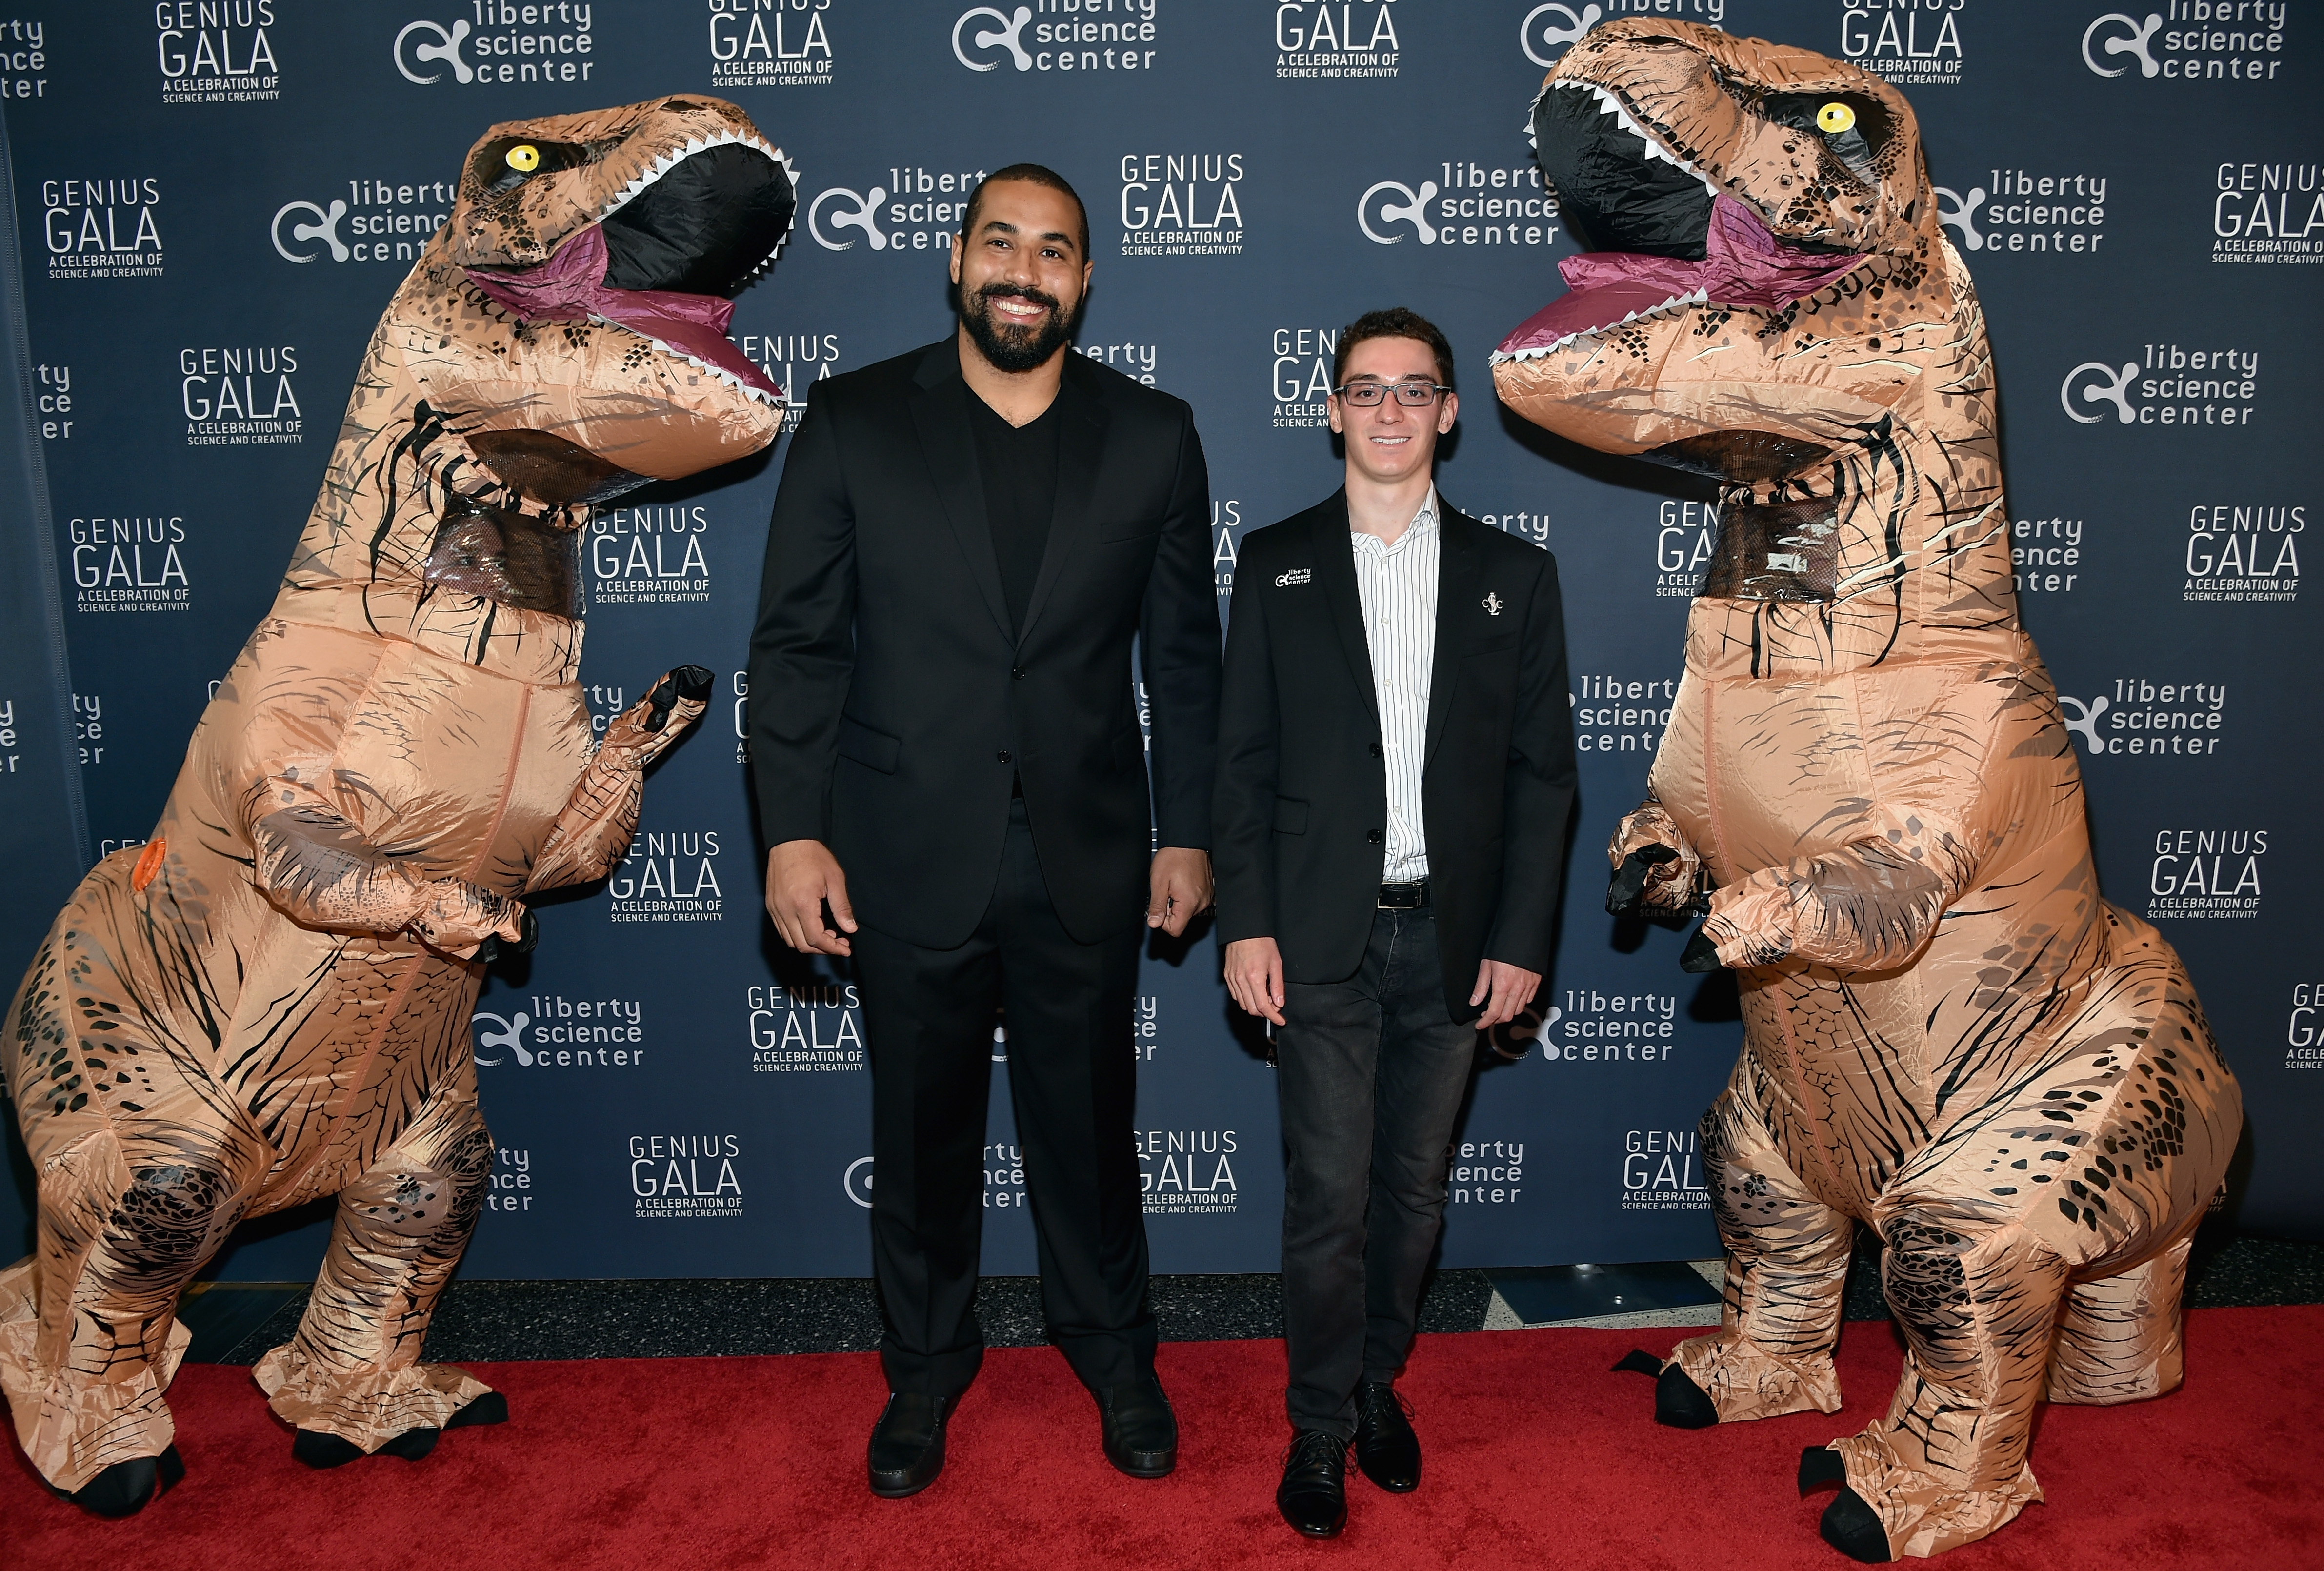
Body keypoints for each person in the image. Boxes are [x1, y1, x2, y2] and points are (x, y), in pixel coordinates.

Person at [748, 165, 1220, 1499]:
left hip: (1084, 848)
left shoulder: (1154, 432)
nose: (1025, 270)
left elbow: (1186, 660)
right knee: (919, 1137)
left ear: (1086, 279)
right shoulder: (849, 421)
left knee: (1090, 1133)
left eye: (1054, 250)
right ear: (956, 261)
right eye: (1000, 243)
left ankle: (1116, 1354)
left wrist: (1188, 832)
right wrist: (791, 835)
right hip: (898, 846)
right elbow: (794, 650)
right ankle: (924, 1370)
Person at [1212, 308, 1576, 1538]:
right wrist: (1244, 922)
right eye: (1364, 390)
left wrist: (1525, 936)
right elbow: (1242, 761)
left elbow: (1543, 777)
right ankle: (1319, 1423)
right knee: (1328, 1192)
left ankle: (1378, 1384)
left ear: (1450, 413)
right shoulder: (1275, 562)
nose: (1388, 411)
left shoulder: (1515, 576)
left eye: (1414, 391)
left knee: (1414, 1192)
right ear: (1330, 409)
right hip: (1318, 934)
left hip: (1457, 939)